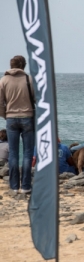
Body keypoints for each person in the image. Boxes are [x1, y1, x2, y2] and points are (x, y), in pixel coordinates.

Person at [0, 55, 35, 194]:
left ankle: (14, 187)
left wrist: (5, 115)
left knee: (13, 153)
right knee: (27, 153)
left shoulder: (3, 80)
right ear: (23, 65)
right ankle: (26, 186)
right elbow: (37, 99)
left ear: (11, 65)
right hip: (28, 117)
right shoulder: (29, 79)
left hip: (11, 119)